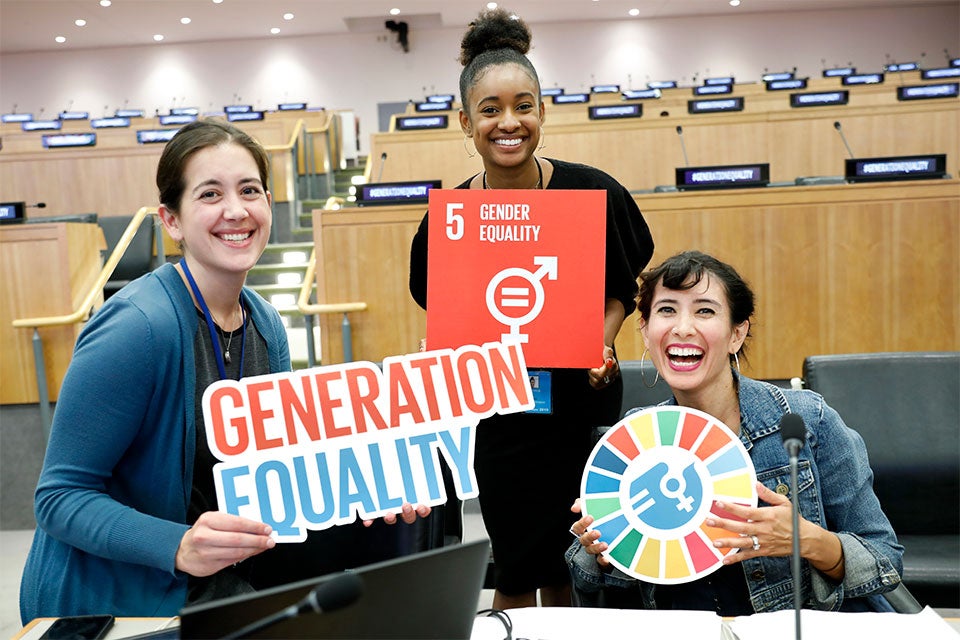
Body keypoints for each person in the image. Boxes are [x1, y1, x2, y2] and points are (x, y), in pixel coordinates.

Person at [19, 119, 426, 622]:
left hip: (216, 576)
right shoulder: (138, 328)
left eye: (250, 190)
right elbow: (59, 498)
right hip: (119, 595)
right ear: (171, 221)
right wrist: (179, 545)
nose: (236, 210)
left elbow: (275, 466)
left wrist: (372, 487)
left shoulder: (266, 324)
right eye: (210, 194)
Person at [408, 9, 654, 609]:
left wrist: (602, 338)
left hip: (580, 397)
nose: (508, 122)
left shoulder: (594, 191)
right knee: (515, 563)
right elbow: (441, 303)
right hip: (503, 409)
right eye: (489, 110)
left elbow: (623, 284)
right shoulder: (451, 218)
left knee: (579, 555)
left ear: (543, 111)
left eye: (524, 105)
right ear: (466, 122)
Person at [566, 250, 904, 613]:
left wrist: (806, 540)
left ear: (736, 334)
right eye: (666, 310)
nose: (682, 327)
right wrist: (600, 550)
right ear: (647, 333)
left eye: (705, 310)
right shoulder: (632, 437)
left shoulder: (806, 420)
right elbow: (591, 579)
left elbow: (885, 560)